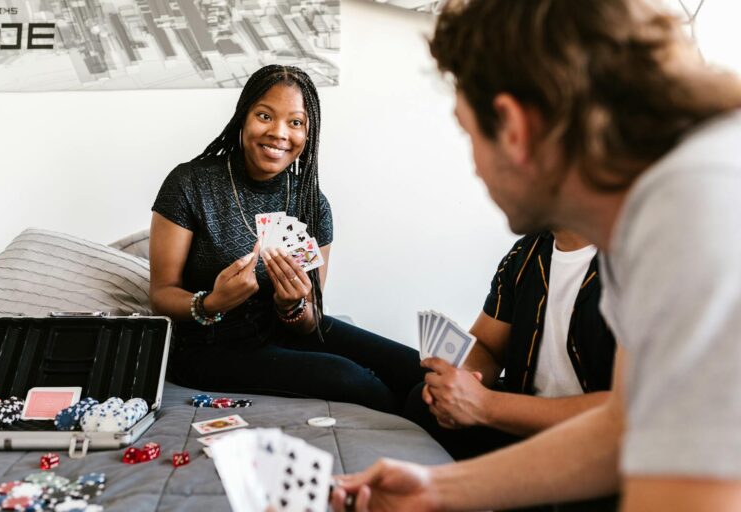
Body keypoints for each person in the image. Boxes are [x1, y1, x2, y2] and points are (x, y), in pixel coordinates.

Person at [332, 0, 741, 510]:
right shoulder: (639, 213)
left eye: (468, 134)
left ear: (513, 127)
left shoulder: (697, 213)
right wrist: (437, 490)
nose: (476, 169)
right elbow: (621, 430)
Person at [149, 65, 424, 414]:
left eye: (295, 122)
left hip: (283, 333)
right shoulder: (189, 184)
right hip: (207, 349)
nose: (279, 133)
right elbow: (160, 294)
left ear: (309, 133)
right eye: (265, 116)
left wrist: (291, 306)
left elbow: (310, 319)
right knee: (354, 380)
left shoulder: (312, 203)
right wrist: (212, 303)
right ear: (243, 118)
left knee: (419, 369)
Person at [403, 230, 616, 464]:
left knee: (414, 400)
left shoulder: (639, 267)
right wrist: (461, 378)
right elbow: (488, 348)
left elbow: (625, 413)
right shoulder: (526, 252)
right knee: (422, 397)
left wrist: (484, 405)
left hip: (592, 452)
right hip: (517, 423)